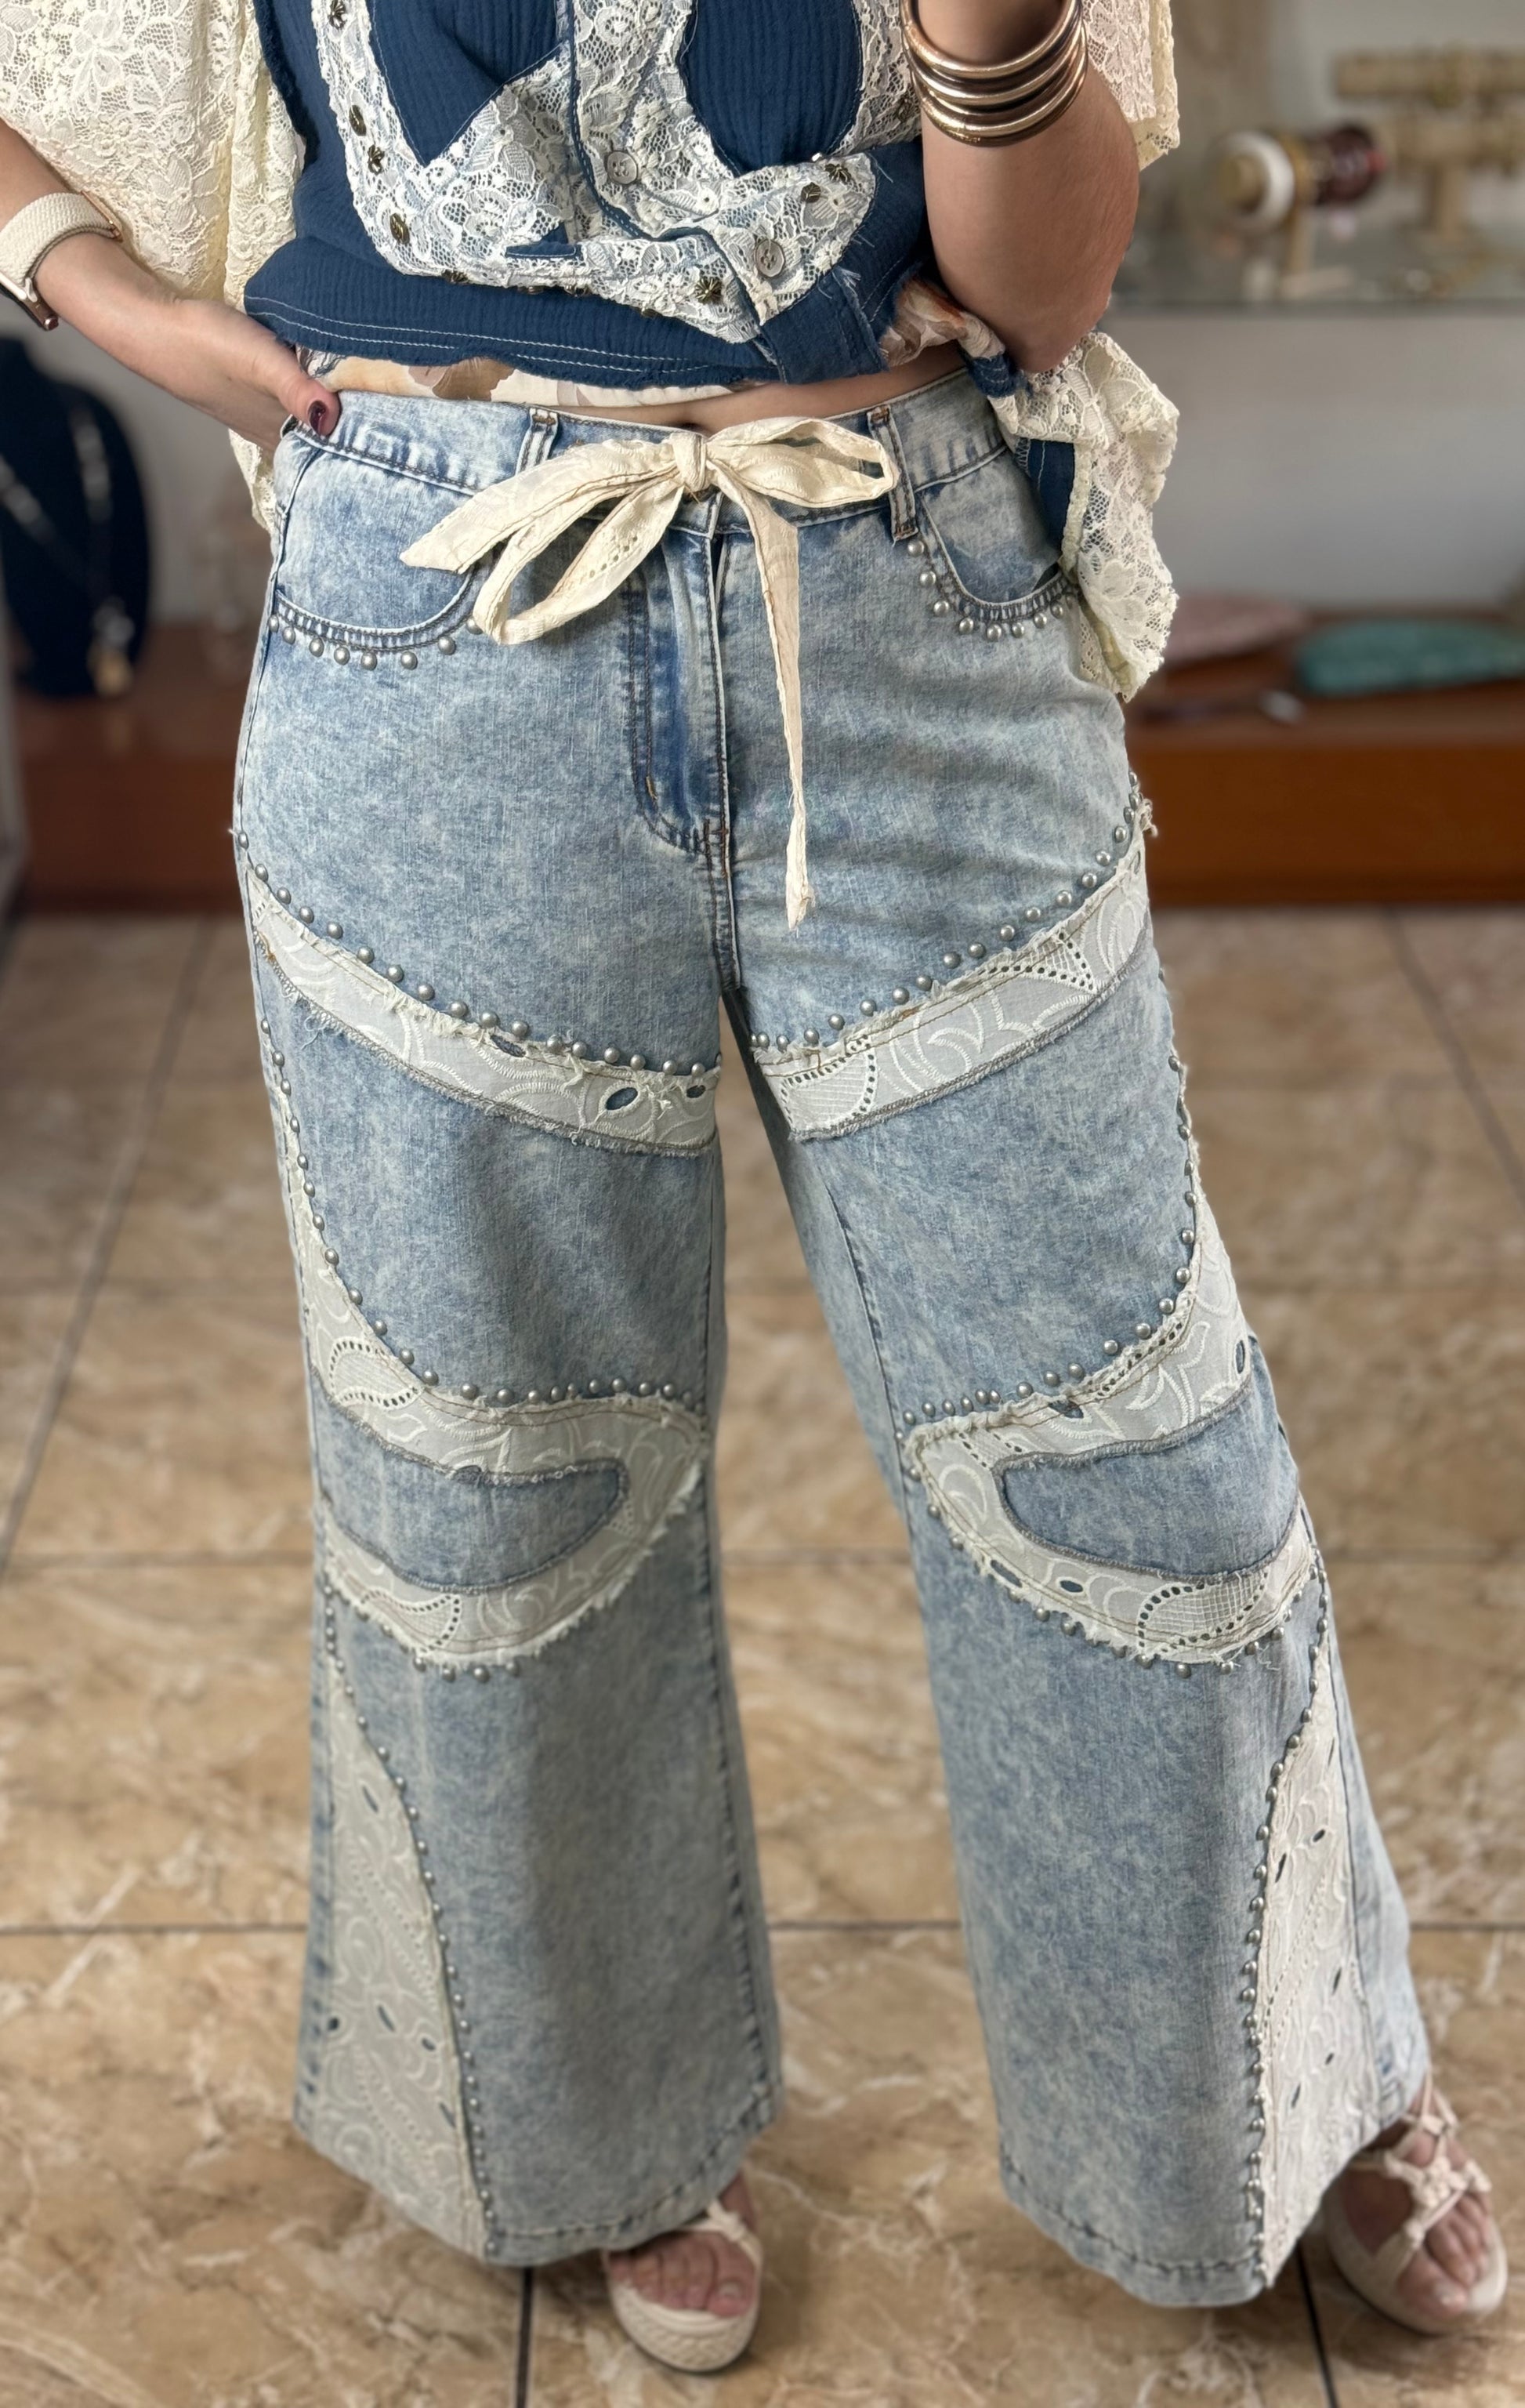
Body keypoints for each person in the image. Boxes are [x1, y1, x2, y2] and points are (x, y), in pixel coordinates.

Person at [0, 0, 1504, 2374]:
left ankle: (1290, 2075)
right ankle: (573, 2129)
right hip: (434, 613)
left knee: (1128, 1440)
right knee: (494, 1466)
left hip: (911, 590)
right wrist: (87, 280)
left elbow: (1040, 293)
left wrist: (984, 34)